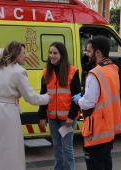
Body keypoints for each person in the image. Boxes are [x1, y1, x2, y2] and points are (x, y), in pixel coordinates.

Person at [72, 35, 121, 170]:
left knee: (96, 165)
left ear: (97, 53)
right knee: (106, 163)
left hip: (97, 132)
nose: (87, 54)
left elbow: (89, 102)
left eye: (89, 51)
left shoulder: (95, 74)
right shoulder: (113, 69)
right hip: (109, 129)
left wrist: (78, 100)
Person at [0, 41, 51, 170]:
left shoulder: (0, 67)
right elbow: (32, 98)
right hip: (9, 113)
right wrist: (48, 97)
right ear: (16, 54)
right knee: (12, 148)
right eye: (23, 53)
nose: (25, 56)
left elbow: (0, 52)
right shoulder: (18, 72)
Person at [38, 42, 81, 170]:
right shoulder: (46, 72)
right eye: (50, 53)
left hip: (67, 119)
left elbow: (77, 96)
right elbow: (43, 95)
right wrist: (42, 115)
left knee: (66, 147)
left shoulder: (72, 71)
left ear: (62, 55)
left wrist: (71, 116)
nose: (52, 56)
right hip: (53, 117)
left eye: (55, 53)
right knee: (56, 147)